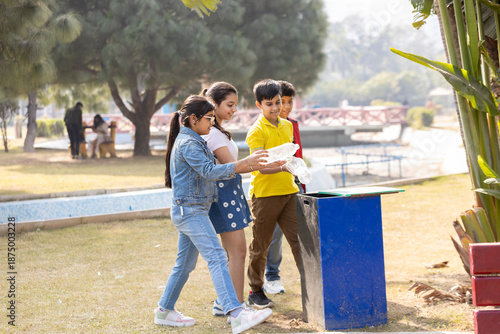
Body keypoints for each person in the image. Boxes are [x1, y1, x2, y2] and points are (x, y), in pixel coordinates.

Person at [156, 94, 278, 334]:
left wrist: (246, 165)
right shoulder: (189, 143)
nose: (212, 123)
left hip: (192, 209)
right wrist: (242, 165)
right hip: (190, 211)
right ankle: (235, 313)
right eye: (209, 118)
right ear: (193, 119)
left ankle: (164, 311)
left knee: (184, 265)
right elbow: (209, 171)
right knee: (217, 257)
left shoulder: (193, 138)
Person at [245, 79, 301, 309]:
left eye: (278, 102)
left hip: (290, 192)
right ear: (259, 105)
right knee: (261, 245)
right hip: (265, 195)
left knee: (301, 241)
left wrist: (295, 167)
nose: (276, 108)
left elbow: (289, 157)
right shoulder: (255, 132)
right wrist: (284, 166)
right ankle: (256, 290)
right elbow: (260, 166)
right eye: (270, 104)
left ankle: (314, 283)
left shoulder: (287, 126)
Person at [200, 82, 251, 315]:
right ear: (214, 104)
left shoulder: (217, 131)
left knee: (234, 252)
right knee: (238, 251)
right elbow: (233, 166)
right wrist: (260, 162)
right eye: (229, 105)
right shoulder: (213, 134)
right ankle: (236, 307)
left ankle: (226, 303)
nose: (234, 110)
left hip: (228, 193)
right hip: (223, 196)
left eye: (235, 105)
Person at [263, 80, 305, 295]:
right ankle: (271, 276)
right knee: (275, 235)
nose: (285, 107)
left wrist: (302, 184)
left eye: (289, 102)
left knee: (299, 233)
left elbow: (297, 156)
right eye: (282, 102)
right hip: (272, 187)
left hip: (293, 184)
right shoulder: (265, 126)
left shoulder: (292, 124)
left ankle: (309, 276)